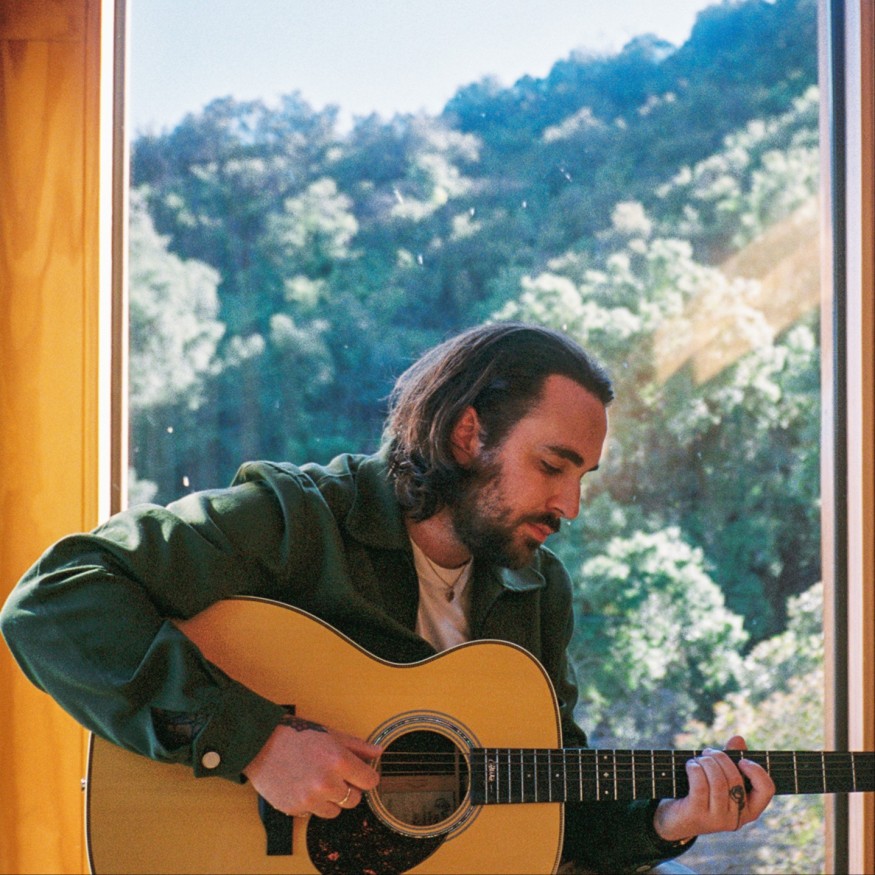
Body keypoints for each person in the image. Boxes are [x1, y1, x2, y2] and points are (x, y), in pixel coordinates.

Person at [0, 322, 774, 873]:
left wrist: (666, 819)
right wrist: (257, 743)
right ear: (468, 434)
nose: (569, 504)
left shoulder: (535, 590)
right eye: (552, 465)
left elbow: (547, 798)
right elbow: (53, 600)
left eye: (582, 477)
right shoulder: (297, 521)